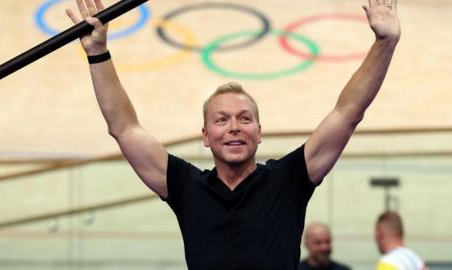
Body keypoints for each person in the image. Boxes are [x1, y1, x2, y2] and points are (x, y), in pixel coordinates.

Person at [65, 0, 400, 268]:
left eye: (244, 118)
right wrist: (97, 52)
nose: (234, 127)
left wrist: (384, 43)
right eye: (222, 120)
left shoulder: (288, 180)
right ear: (206, 136)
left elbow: (347, 113)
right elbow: (124, 128)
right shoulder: (186, 187)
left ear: (259, 132)